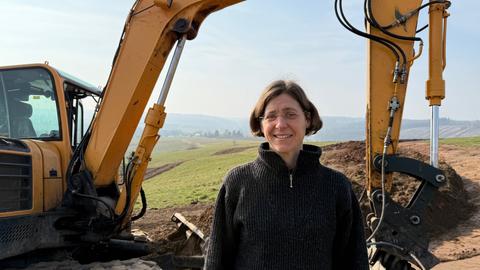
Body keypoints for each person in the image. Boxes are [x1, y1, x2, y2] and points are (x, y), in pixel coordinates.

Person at [204, 80, 369, 269]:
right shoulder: (237, 183)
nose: (280, 124)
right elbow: (217, 260)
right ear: (261, 123)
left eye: (290, 115)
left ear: (307, 119)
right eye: (271, 116)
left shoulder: (336, 186)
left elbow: (354, 261)